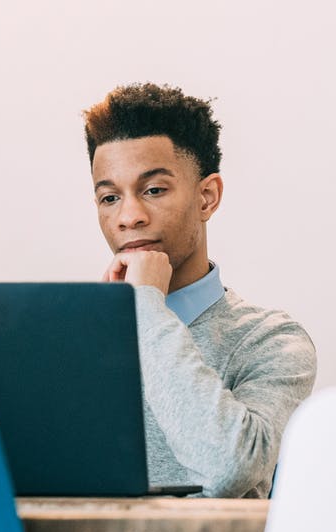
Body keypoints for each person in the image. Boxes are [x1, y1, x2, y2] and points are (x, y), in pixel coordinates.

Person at [83, 83, 317, 498]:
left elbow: (227, 468)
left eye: (153, 190)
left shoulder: (271, 342)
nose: (128, 217)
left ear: (206, 197)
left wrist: (146, 310)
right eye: (109, 197)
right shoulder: (75, 341)